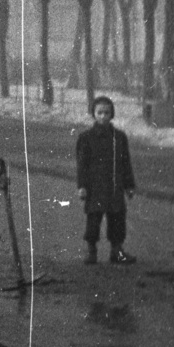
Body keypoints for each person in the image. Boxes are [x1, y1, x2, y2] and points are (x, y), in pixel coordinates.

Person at [75, 94, 136, 264]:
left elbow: (125, 163)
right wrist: (82, 186)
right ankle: (91, 251)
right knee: (93, 218)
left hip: (114, 185)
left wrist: (129, 185)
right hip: (95, 186)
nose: (103, 116)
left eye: (107, 113)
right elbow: (82, 165)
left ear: (112, 114)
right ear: (93, 113)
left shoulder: (119, 137)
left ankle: (117, 251)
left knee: (117, 218)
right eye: (99, 112)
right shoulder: (86, 138)